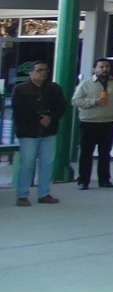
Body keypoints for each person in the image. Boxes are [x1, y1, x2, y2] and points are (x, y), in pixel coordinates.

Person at [12, 61, 66, 206]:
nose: (43, 73)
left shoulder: (54, 88)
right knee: (27, 164)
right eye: (39, 70)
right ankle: (22, 195)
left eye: (45, 70)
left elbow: (61, 107)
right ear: (31, 72)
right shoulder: (20, 89)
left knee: (47, 163)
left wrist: (50, 118)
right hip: (28, 132)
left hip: (49, 131)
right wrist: (38, 120)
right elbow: (19, 110)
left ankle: (44, 194)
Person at [70, 55, 113, 191]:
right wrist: (93, 102)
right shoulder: (86, 84)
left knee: (105, 153)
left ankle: (104, 180)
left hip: (109, 123)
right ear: (94, 69)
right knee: (86, 153)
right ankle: (83, 180)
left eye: (107, 67)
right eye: (101, 67)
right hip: (89, 122)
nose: (104, 69)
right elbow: (75, 101)